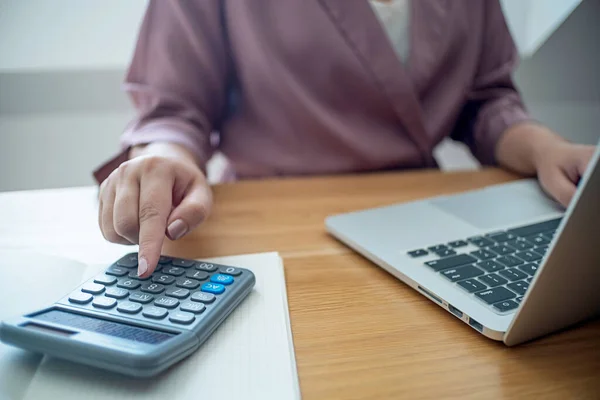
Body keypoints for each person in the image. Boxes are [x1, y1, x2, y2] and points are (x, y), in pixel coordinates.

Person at [94, 0, 596, 278]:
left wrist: (545, 149)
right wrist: (163, 159)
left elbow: (484, 100)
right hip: (273, 227)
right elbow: (175, 109)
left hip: (424, 224)